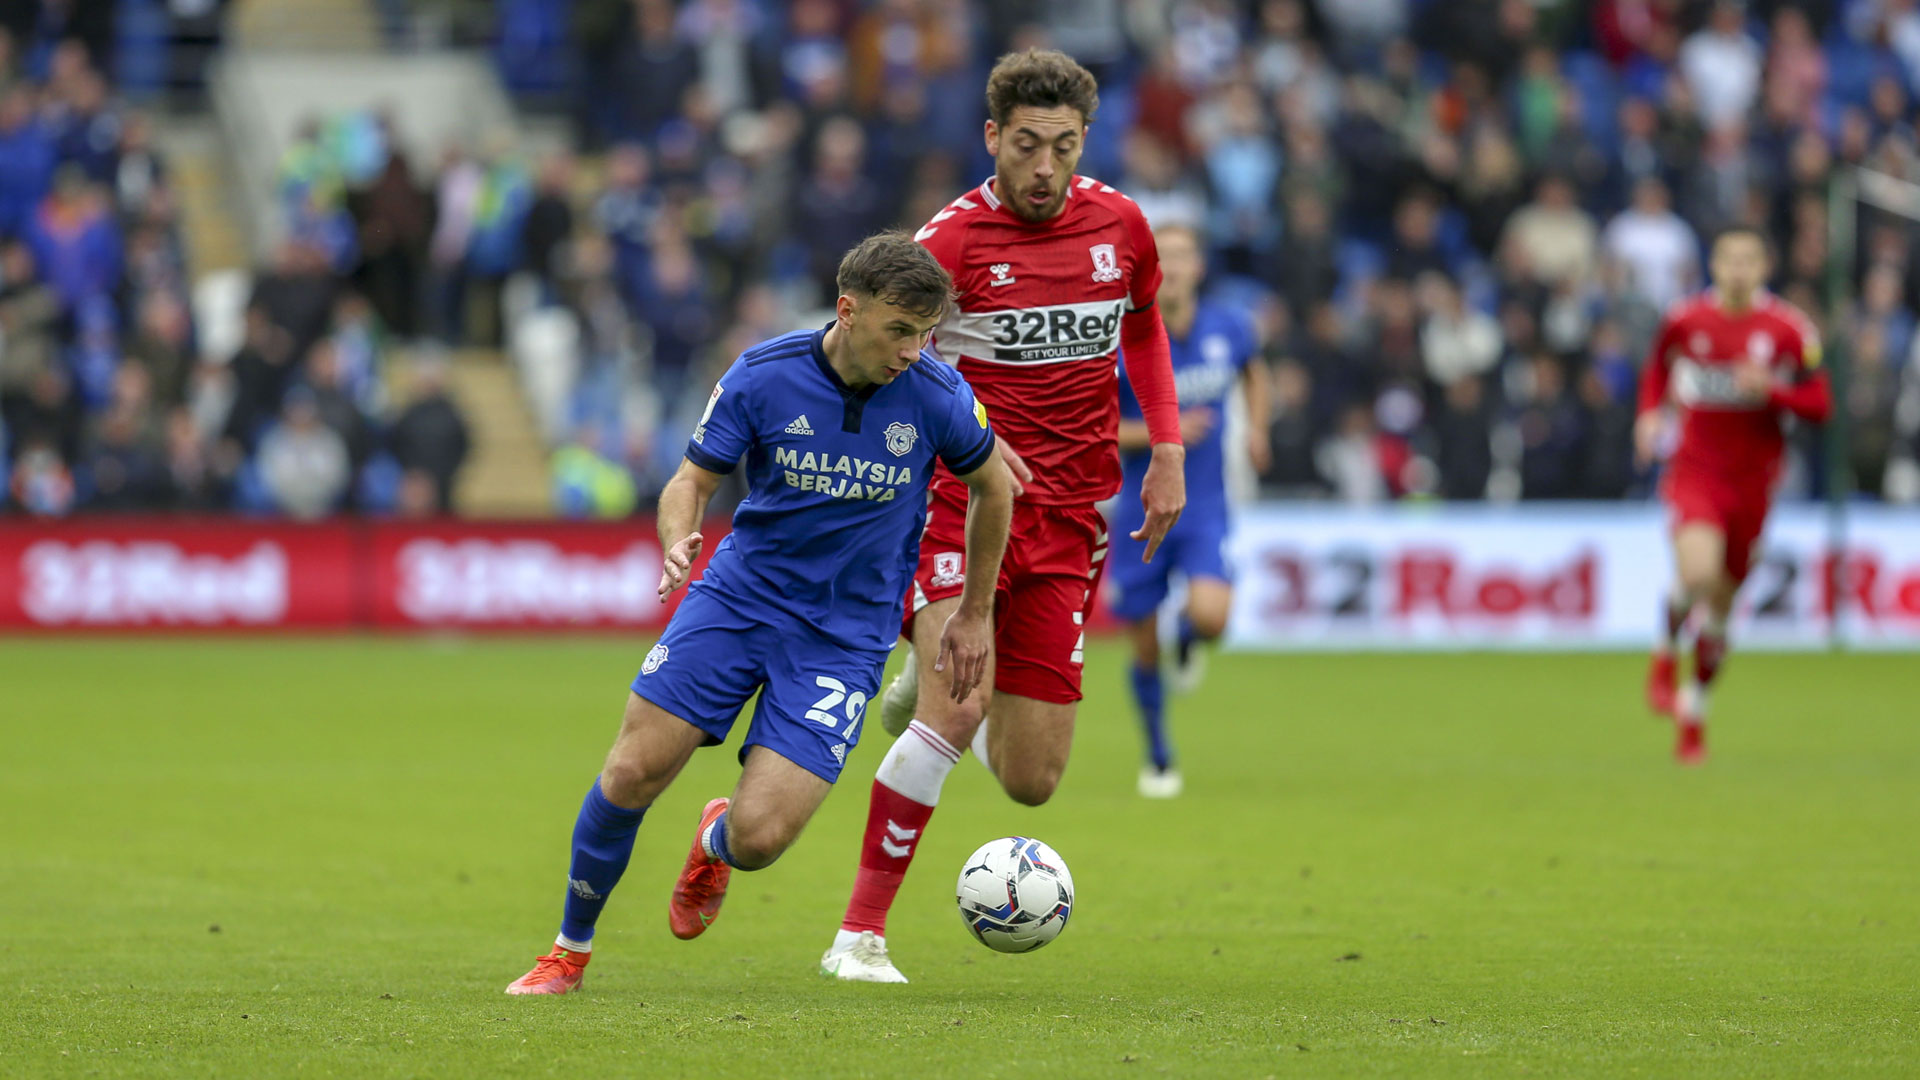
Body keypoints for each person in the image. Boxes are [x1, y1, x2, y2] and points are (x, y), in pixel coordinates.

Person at [504, 232, 1013, 996]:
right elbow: (689, 482)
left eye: (925, 333)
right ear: (848, 310)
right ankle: (566, 954)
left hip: (844, 637)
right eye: (900, 331)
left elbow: (995, 486)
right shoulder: (762, 374)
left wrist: (974, 612)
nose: (913, 350)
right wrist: (679, 542)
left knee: (761, 837)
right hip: (739, 600)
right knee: (633, 769)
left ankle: (715, 838)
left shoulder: (936, 395)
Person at [822, 49, 1185, 984]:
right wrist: (960, 443)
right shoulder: (949, 244)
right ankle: (859, 936)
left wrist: (1169, 449)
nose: (1044, 167)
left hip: (1073, 518)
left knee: (1032, 780)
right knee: (958, 702)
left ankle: (929, 684)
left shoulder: (1123, 227)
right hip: (958, 508)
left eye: (1063, 147)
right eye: (1026, 145)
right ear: (992, 137)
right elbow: (883, 354)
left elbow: (1143, 326)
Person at [1635, 226, 1830, 764]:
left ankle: (1693, 713)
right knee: (1697, 573)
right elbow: (1656, 369)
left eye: (1749, 260)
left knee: (1720, 612)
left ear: (1764, 267)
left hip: (1754, 482)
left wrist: (1774, 390)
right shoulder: (1684, 320)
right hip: (1697, 469)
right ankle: (1663, 652)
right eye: (1729, 260)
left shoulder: (1789, 329)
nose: (1739, 269)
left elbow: (1820, 403)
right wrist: (1650, 416)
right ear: (1713, 266)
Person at [1108, 224, 1267, 798]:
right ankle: (1157, 755)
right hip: (1139, 510)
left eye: (1182, 256)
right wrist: (1160, 435)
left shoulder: (1229, 325)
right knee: (1142, 647)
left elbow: (1254, 369)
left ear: (1200, 266)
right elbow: (1094, 426)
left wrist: (1258, 430)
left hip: (1204, 506)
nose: (1172, 266)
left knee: (1213, 616)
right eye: (1162, 257)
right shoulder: (1122, 335)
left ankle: (1190, 638)